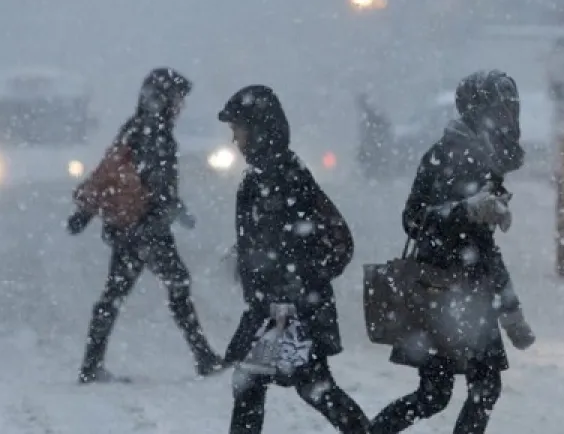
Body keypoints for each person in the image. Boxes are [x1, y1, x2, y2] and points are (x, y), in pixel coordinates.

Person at [371, 70, 534, 434]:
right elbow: (416, 220)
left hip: (455, 292)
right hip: (448, 292)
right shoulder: (454, 154)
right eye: (501, 108)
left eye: (512, 108)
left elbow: (469, 239)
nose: (509, 117)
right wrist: (467, 211)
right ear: (479, 111)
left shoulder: (479, 153)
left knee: (439, 393)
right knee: (472, 389)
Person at [219, 85, 371, 434]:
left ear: (257, 129)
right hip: (276, 308)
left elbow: (335, 240)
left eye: (237, 130)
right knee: (262, 386)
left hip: (289, 310)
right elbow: (276, 238)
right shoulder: (264, 176)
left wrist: (298, 283)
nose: (234, 140)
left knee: (300, 387)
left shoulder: (282, 176)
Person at [69, 67, 224, 384]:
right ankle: (204, 357)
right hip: (147, 229)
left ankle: (91, 364)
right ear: (164, 100)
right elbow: (158, 185)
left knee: (114, 294)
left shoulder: (133, 128)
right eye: (178, 100)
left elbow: (110, 173)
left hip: (126, 226)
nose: (180, 107)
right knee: (177, 284)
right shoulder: (157, 133)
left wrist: (86, 213)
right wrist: (166, 212)